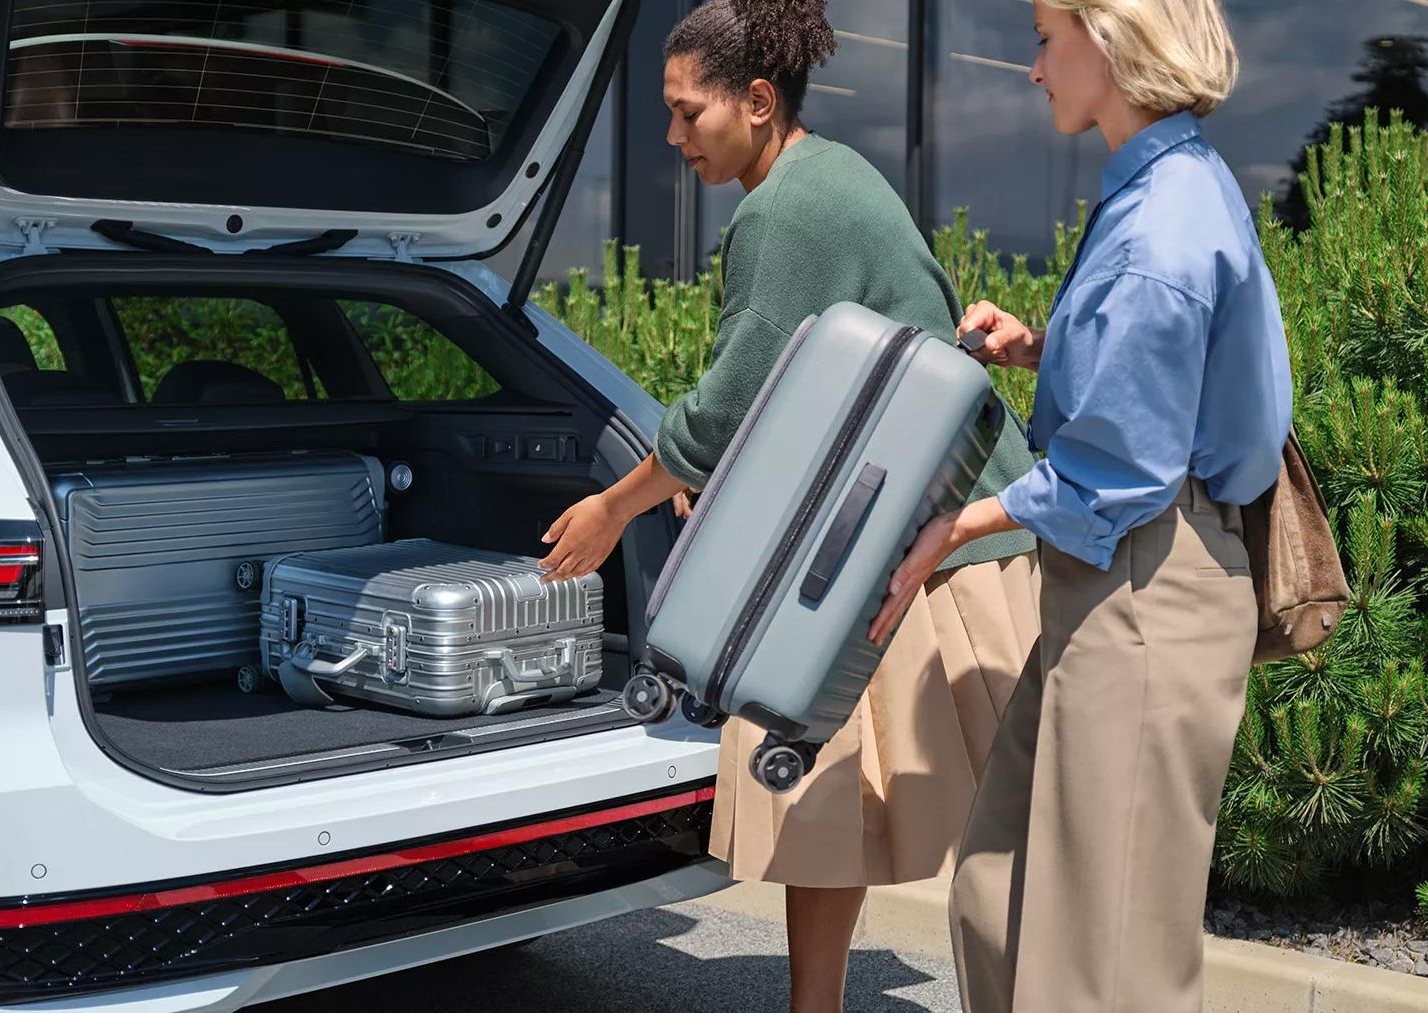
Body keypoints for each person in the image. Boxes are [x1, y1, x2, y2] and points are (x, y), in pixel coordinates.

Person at [535, 2, 1042, 1011]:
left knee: (981, 821)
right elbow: (801, 392)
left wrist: (614, 507)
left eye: (688, 113)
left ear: (758, 103)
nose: (674, 137)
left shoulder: (785, 210)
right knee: (835, 796)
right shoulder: (828, 172)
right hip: (921, 531)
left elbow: (727, 406)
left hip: (941, 547)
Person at [867, 0, 1292, 1009]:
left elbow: (1121, 466)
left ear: (1108, 41)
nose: (1031, 67)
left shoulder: (1158, 227)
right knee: (999, 886)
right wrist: (1044, 346)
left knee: (1104, 959)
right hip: (1130, 572)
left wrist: (960, 524)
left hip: (1148, 576)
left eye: (1043, 36)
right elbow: (1158, 375)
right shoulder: (1174, 182)